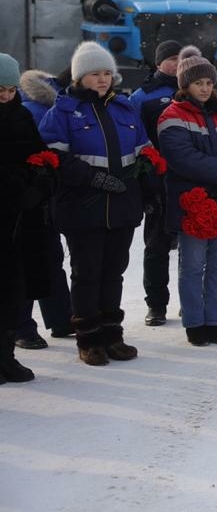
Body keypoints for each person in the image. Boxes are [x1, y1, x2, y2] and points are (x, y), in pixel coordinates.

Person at [39, 42, 151, 366]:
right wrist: (92, 178)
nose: (102, 80)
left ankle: (112, 335)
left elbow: (144, 150)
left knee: (113, 272)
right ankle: (89, 338)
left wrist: (150, 187)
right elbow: (53, 157)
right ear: (79, 77)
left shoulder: (125, 108)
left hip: (122, 204)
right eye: (94, 74)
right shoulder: (62, 111)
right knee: (87, 273)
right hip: (82, 205)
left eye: (106, 73)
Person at [158, 47, 217, 346]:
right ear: (185, 85)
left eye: (209, 83)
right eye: (199, 83)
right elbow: (183, 157)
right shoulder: (171, 116)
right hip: (194, 202)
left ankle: (213, 320)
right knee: (192, 265)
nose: (205, 88)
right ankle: (194, 322)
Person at [1, 52, 58, 382]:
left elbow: (41, 156)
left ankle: (6, 356)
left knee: (15, 292)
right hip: (5, 215)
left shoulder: (21, 116)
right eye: (0, 91)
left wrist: (43, 180)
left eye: (11, 90)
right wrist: (17, 183)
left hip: (22, 223)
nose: (7, 97)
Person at [12, 65, 73, 347]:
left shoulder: (52, 107)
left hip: (41, 200)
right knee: (24, 265)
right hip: (17, 202)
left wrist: (45, 181)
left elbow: (44, 159)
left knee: (48, 258)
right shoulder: (36, 111)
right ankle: (23, 327)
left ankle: (59, 319)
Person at [128, 39, 183, 326]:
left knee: (193, 248)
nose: (176, 63)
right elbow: (135, 140)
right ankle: (157, 305)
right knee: (157, 247)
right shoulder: (142, 96)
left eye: (180, 58)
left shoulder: (197, 89)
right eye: (170, 58)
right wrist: (147, 183)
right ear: (158, 63)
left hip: (191, 181)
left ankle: (193, 302)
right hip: (159, 183)